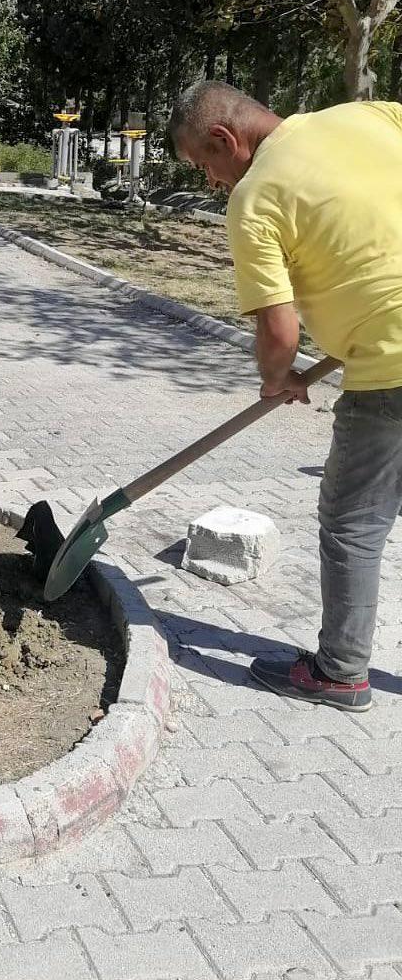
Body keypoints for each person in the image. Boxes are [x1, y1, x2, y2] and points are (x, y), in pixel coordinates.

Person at [169, 81, 402, 711]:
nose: (213, 181)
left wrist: (277, 379)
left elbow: (278, 329)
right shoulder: (371, 117)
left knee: (353, 523)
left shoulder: (255, 197)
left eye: (205, 166)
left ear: (225, 139)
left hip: (392, 369)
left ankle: (341, 672)